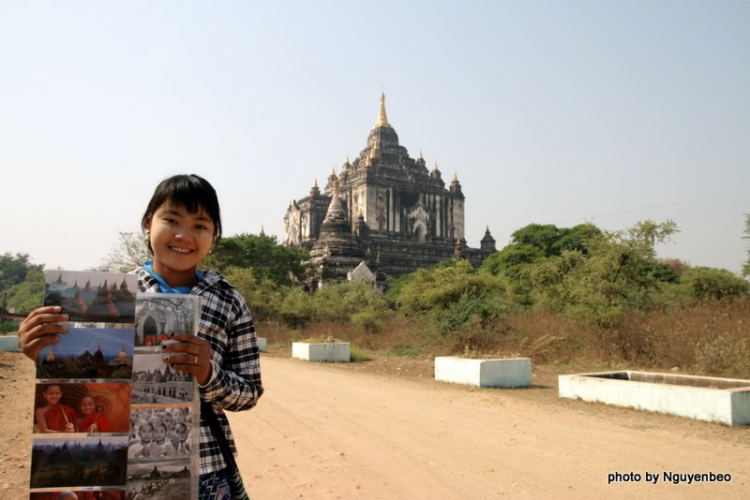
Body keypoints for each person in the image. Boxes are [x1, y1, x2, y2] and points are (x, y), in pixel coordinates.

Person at [18, 174, 264, 499]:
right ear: (149, 223)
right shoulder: (110, 301)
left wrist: (208, 374)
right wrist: (45, 350)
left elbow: (249, 393)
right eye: (171, 219)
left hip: (203, 469)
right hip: (120, 469)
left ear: (214, 235)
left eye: (200, 226)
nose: (183, 235)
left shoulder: (228, 301)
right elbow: (83, 377)